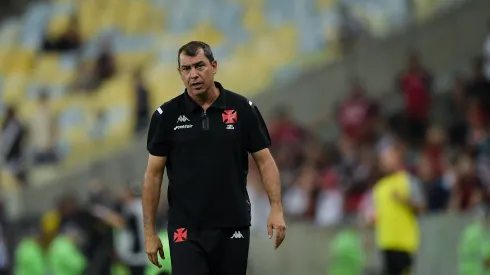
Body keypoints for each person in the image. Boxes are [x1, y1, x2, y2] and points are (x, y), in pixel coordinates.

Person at [142, 41, 286, 275]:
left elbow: (265, 161)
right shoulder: (166, 116)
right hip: (185, 230)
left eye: (200, 66)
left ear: (214, 66)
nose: (194, 75)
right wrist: (149, 232)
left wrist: (276, 208)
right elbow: (153, 175)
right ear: (179, 73)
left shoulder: (243, 109)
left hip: (233, 224)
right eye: (186, 69)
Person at [371, 142, 426, 275]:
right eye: (383, 160)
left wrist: (404, 201)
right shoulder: (379, 188)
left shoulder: (408, 181)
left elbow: (421, 207)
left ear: (398, 158)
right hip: (385, 242)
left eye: (389, 158)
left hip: (404, 243)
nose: (385, 163)